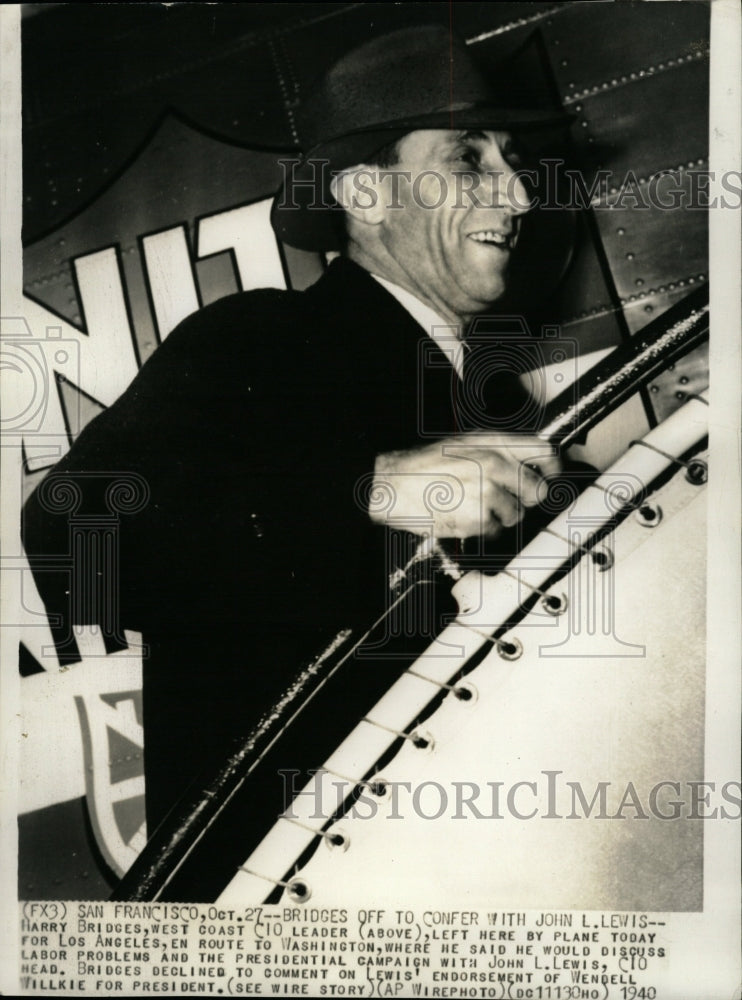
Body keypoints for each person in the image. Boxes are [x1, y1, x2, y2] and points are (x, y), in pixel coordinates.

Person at [22, 25, 570, 838]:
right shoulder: (262, 339)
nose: (521, 197)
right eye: (468, 161)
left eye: (512, 164)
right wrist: (368, 490)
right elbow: (74, 540)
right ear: (364, 195)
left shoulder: (485, 396)